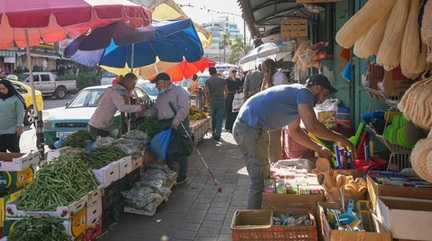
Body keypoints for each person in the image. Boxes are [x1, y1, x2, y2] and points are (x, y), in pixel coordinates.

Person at [232, 74, 354, 209]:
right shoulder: (304, 93)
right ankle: (253, 222)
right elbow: (312, 126)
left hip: (255, 129)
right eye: (324, 94)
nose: (323, 100)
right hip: (248, 129)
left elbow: (295, 132)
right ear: (318, 88)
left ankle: (265, 211)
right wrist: (340, 138)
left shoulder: (298, 98)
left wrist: (319, 149)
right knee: (258, 181)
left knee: (265, 175)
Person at [151, 73, 191, 184]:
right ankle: (171, 173)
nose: (157, 86)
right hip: (164, 124)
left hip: (177, 123)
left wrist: (176, 121)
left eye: (158, 83)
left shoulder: (179, 91)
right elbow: (156, 110)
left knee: (180, 149)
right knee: (169, 150)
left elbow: (184, 108)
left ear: (167, 81)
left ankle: (182, 175)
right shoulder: (161, 94)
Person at [89, 73, 145, 138]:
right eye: (133, 84)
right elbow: (122, 107)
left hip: (101, 125)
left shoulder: (118, 90)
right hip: (97, 126)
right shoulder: (116, 91)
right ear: (127, 82)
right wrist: (140, 107)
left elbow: (126, 103)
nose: (134, 86)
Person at [0, 79, 25, 153]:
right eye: (0, 89)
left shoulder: (16, 99)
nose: (1, 91)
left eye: (3, 88)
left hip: (12, 130)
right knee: (1, 152)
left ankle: (17, 164)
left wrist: (19, 126)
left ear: (9, 88)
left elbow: (20, 113)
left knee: (14, 150)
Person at [205, 67, 226, 141]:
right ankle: (218, 134)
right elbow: (226, 91)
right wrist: (224, 98)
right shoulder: (223, 80)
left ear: (210, 73)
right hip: (221, 100)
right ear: (216, 72)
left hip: (212, 101)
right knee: (219, 118)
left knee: (213, 117)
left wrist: (208, 102)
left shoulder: (208, 81)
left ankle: (213, 132)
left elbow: (207, 93)